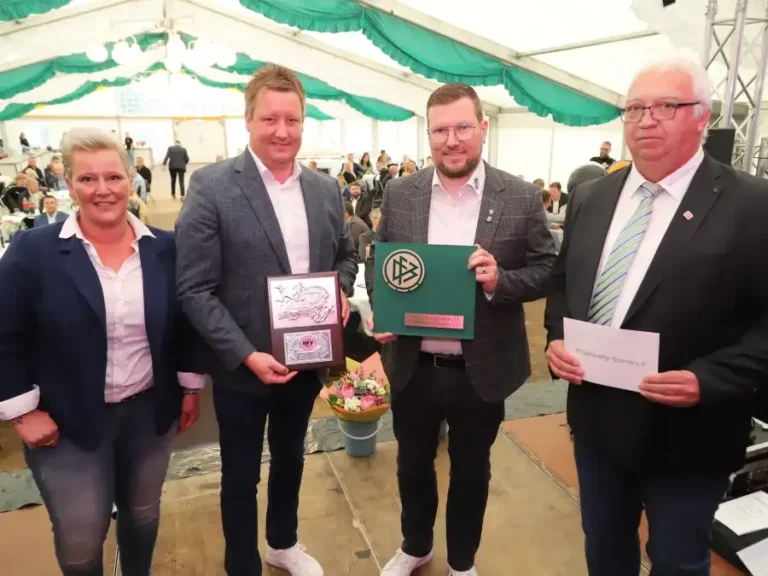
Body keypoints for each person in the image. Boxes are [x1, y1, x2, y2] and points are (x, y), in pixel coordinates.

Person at [544, 57, 768, 576]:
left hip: (691, 434)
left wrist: (707, 380)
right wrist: (556, 339)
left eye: (666, 106)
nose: (646, 120)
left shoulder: (753, 206)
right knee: (604, 549)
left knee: (677, 562)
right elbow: (562, 286)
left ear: (703, 116)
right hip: (597, 424)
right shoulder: (591, 197)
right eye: (634, 108)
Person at [175, 64, 357, 576]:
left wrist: (340, 290)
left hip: (306, 360)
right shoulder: (211, 186)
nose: (282, 131)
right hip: (243, 367)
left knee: (291, 458)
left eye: (292, 120)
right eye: (270, 119)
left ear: (303, 122)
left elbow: (344, 256)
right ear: (249, 120)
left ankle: (283, 543)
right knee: (239, 474)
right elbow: (193, 288)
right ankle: (242, 563)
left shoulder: (325, 188)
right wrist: (245, 354)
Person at [368, 83, 556, 576]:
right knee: (412, 466)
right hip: (413, 366)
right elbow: (380, 261)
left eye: (462, 128)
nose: (451, 140)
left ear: (483, 128)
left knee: (472, 471)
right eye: (440, 130)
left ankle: (462, 562)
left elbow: (547, 269)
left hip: (481, 369)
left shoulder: (519, 196)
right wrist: (383, 310)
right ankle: (415, 547)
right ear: (428, 133)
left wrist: (501, 280)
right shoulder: (401, 193)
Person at [0, 127, 205, 576]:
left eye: (113, 177)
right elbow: (5, 333)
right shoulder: (33, 251)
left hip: (148, 413)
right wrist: (21, 411)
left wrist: (189, 387)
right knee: (80, 538)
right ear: (69, 184)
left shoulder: (165, 248)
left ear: (131, 179)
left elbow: (185, 323)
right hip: (65, 423)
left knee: (143, 515)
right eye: (87, 179)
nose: (102, 189)